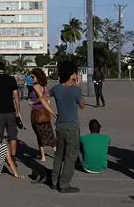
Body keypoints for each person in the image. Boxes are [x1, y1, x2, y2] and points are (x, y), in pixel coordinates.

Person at [50, 61, 85, 193]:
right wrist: (78, 86)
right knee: (70, 155)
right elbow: (82, 105)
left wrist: (52, 112)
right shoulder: (75, 89)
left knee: (59, 154)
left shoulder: (56, 88)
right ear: (72, 74)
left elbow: (43, 97)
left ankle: (54, 180)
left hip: (60, 125)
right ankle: (64, 184)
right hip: (72, 126)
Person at [0, 60, 21, 161]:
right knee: (13, 135)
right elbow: (16, 95)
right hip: (10, 111)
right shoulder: (11, 79)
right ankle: (13, 156)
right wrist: (18, 111)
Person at [28, 67, 56, 162]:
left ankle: (43, 156)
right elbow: (47, 99)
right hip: (45, 112)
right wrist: (49, 111)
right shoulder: (44, 86)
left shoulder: (35, 87)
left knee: (39, 134)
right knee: (49, 133)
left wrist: (33, 102)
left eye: (33, 77)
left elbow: (42, 98)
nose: (32, 79)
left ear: (37, 77)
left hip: (37, 113)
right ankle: (55, 152)